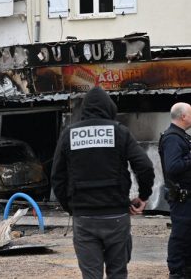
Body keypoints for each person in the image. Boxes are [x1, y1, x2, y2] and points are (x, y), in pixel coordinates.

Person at [51, 86, 155, 279]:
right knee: (118, 273)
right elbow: (145, 166)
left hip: (84, 218)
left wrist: (72, 207)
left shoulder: (69, 134)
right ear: (109, 107)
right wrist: (143, 196)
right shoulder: (120, 132)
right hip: (116, 216)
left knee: (91, 275)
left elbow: (57, 178)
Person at [158, 102, 191, 279]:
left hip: (186, 196)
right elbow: (172, 166)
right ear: (183, 116)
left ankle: (186, 268)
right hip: (181, 197)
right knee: (181, 235)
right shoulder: (172, 137)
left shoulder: (182, 136)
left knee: (187, 235)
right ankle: (177, 271)